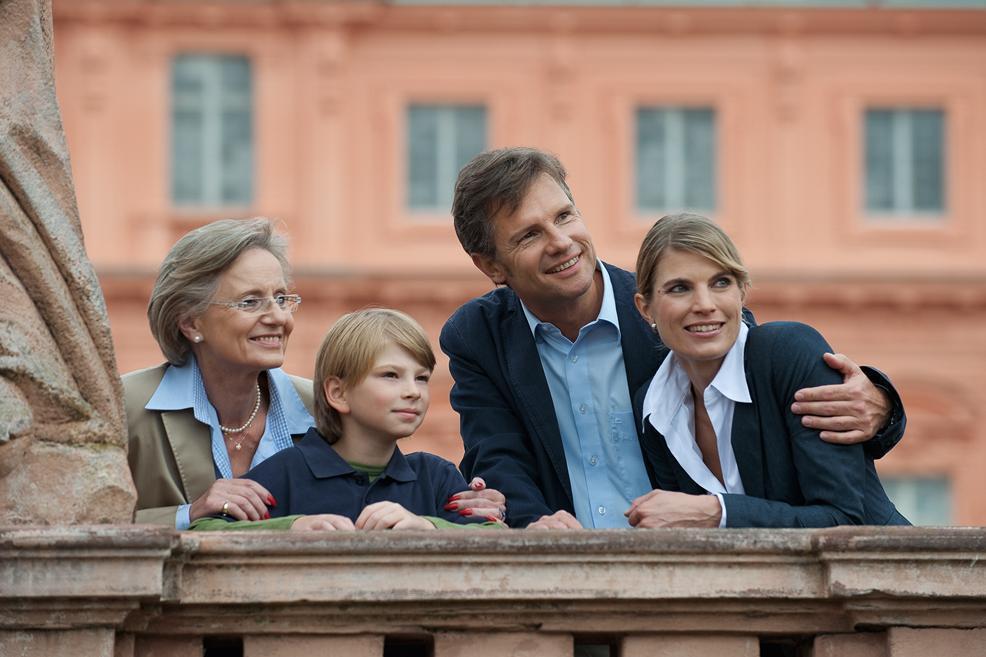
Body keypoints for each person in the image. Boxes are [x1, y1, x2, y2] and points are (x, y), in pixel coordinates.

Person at [440, 147, 905, 529]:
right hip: (574, 577)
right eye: (528, 236)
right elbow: (496, 456)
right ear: (491, 266)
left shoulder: (676, 311)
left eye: (564, 216)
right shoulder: (475, 337)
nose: (560, 241)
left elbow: (769, 406)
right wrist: (532, 523)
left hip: (691, 570)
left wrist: (882, 406)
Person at [124, 218, 504, 528]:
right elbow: (73, 524)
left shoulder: (324, 405)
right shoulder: (125, 407)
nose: (278, 317)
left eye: (282, 298)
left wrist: (461, 511)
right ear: (191, 323)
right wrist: (188, 514)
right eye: (251, 301)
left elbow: (396, 485)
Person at [627, 213, 908, 527]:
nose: (704, 304)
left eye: (721, 282)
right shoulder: (652, 407)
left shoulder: (787, 353)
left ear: (742, 292)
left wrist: (718, 512)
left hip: (881, 570)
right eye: (679, 288)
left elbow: (843, 520)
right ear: (645, 307)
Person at [192, 308, 503, 531]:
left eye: (421, 378)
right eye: (390, 375)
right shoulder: (286, 472)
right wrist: (290, 529)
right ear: (337, 393)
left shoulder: (435, 477)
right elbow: (206, 530)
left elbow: (495, 538)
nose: (413, 392)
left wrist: (427, 528)